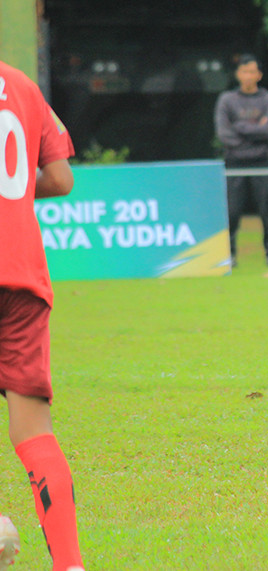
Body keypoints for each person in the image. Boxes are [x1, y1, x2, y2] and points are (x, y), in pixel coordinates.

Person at [0, 60, 86, 570]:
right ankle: (70, 566)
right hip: (23, 275)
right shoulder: (22, 85)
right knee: (34, 432)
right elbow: (60, 177)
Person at [214, 54, 268, 268]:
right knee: (232, 211)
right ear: (238, 74)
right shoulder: (227, 100)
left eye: (252, 71)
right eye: (244, 71)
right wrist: (254, 130)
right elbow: (224, 135)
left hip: (262, 162)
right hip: (234, 163)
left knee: (267, 209)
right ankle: (230, 254)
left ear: (259, 75)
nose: (248, 76)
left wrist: (240, 127)